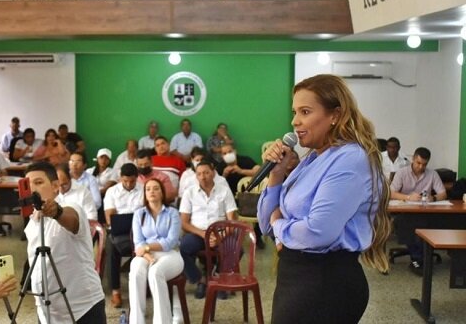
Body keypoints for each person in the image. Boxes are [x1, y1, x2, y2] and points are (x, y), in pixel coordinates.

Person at [257, 74, 391, 323]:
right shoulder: (312, 158)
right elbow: (265, 224)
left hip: (325, 283)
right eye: (295, 112)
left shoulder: (350, 159)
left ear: (335, 115)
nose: (295, 121)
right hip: (296, 278)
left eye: (305, 112)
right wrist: (275, 176)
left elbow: (318, 232)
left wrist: (280, 226)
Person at [24, 162, 106, 324]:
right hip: (46, 311)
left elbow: (71, 218)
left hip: (82, 309)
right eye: (28, 184)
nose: (32, 189)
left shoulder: (71, 206)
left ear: (55, 186)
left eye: (39, 182)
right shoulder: (32, 220)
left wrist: (56, 212)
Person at [179, 159, 237, 299]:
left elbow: (232, 221)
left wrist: (219, 237)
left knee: (236, 249)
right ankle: (201, 280)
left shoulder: (224, 191)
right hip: (198, 233)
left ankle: (220, 279)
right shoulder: (189, 192)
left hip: (220, 232)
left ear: (213, 173)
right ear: (196, 176)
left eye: (206, 173)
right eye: (199, 174)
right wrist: (203, 234)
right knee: (183, 248)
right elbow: (184, 223)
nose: (203, 177)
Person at [129, 179, 183, 324]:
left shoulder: (172, 213)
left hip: (171, 254)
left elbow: (170, 241)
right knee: (135, 270)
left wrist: (147, 248)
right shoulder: (139, 214)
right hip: (146, 255)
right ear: (145, 194)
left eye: (156, 188)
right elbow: (138, 242)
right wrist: (147, 255)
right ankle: (136, 321)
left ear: (162, 192)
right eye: (148, 189)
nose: (151, 192)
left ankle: (162, 321)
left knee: (155, 272)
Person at [390, 147, 447, 274]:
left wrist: (434, 198)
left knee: (428, 223)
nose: (421, 167)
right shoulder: (402, 173)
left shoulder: (432, 174)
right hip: (405, 211)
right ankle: (418, 259)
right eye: (418, 163)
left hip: (425, 211)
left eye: (424, 164)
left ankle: (421, 259)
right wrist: (408, 197)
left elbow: (443, 194)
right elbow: (391, 193)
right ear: (413, 159)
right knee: (409, 223)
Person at [103, 163, 144, 308]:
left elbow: (148, 214)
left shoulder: (143, 189)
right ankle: (116, 292)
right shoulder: (112, 192)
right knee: (112, 248)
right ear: (120, 178)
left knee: (142, 246)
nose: (128, 184)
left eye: (132, 181)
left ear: (137, 178)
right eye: (125, 181)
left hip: (141, 233)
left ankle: (141, 288)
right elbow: (110, 217)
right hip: (119, 233)